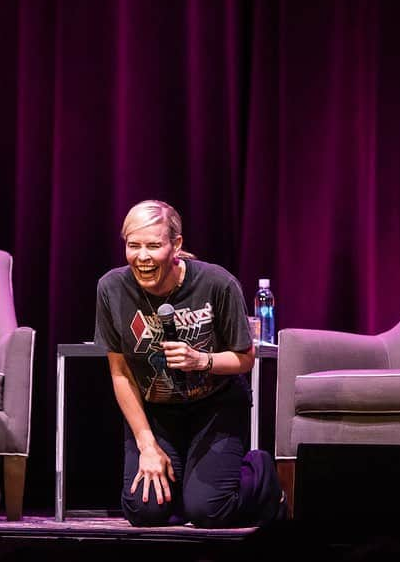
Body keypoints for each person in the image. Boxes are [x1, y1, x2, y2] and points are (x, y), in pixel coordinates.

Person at [94, 199, 288, 528]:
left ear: (176, 245)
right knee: (144, 512)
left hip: (215, 409)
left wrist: (202, 359)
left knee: (209, 511)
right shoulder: (112, 288)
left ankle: (262, 473)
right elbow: (121, 372)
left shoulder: (216, 284)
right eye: (133, 246)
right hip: (157, 414)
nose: (142, 257)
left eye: (153, 246)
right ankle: (190, 483)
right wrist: (147, 444)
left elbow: (245, 358)